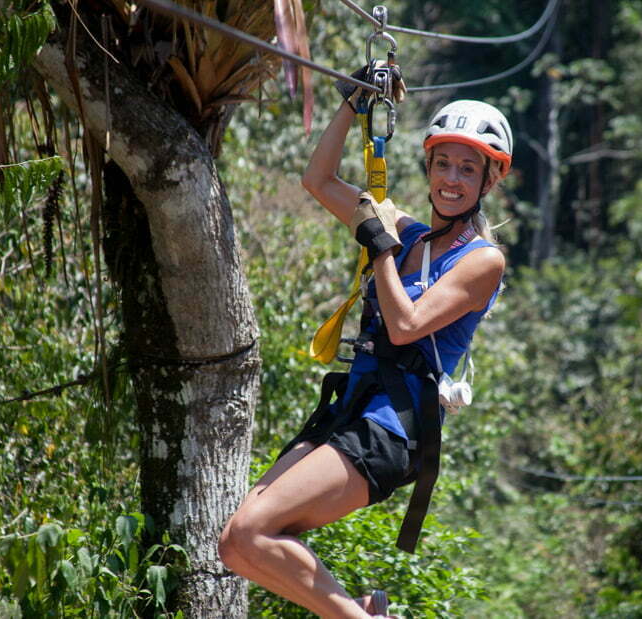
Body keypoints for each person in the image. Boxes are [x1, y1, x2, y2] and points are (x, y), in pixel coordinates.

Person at [219, 88, 512, 617]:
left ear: (490, 180)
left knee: (257, 531)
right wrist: (353, 105)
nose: (450, 178)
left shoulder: (482, 260)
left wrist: (380, 244)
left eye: (467, 170)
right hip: (351, 409)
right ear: (427, 167)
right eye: (442, 164)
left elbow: (405, 328)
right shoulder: (408, 234)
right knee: (237, 543)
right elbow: (319, 180)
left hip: (393, 427)